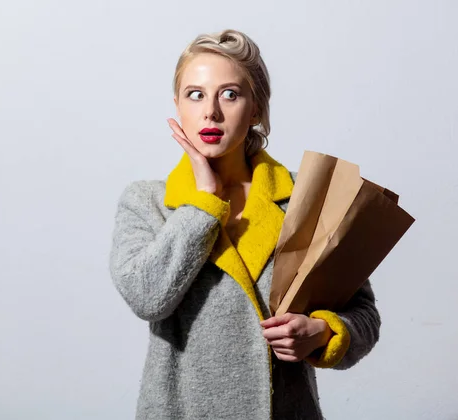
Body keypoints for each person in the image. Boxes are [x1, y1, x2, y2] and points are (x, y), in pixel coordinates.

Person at [109, 29, 381, 420]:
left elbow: (364, 316)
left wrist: (321, 332)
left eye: (230, 94)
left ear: (255, 109)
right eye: (196, 94)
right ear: (178, 106)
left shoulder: (305, 197)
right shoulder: (147, 202)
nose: (211, 113)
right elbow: (147, 298)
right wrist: (203, 203)